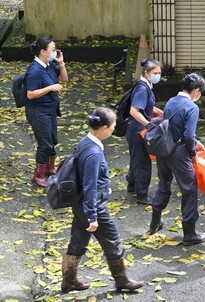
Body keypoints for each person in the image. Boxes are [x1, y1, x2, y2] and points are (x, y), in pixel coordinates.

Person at [61, 107, 143, 293]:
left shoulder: (87, 141)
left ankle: (69, 281)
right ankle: (122, 281)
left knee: (78, 241)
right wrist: (92, 216)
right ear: (104, 127)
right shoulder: (94, 153)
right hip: (92, 205)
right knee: (112, 239)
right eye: (113, 126)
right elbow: (89, 185)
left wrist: (104, 186)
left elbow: (86, 177)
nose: (114, 129)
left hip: (80, 202)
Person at [148, 73, 205, 246]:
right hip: (179, 153)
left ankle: (155, 222)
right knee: (189, 189)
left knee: (164, 183)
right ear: (196, 91)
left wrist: (196, 142)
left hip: (163, 149)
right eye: (200, 93)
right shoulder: (192, 108)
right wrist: (193, 152)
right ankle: (190, 234)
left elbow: (173, 127)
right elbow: (188, 135)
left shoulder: (171, 101)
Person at [26, 36, 68, 187]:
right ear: (43, 51)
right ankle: (38, 175)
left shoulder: (49, 65)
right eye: (52, 49)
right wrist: (50, 88)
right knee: (44, 143)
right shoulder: (35, 71)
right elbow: (30, 94)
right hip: (38, 111)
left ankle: (50, 168)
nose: (55, 52)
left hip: (50, 110)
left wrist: (61, 63)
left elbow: (64, 79)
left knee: (53, 140)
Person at [125, 58, 163, 204]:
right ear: (146, 72)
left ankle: (132, 185)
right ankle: (141, 194)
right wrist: (149, 125)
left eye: (159, 73)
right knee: (142, 161)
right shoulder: (142, 88)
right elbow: (135, 111)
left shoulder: (145, 85)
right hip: (137, 129)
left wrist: (156, 111)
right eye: (155, 72)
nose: (158, 75)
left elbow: (143, 105)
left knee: (136, 157)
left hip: (134, 128)